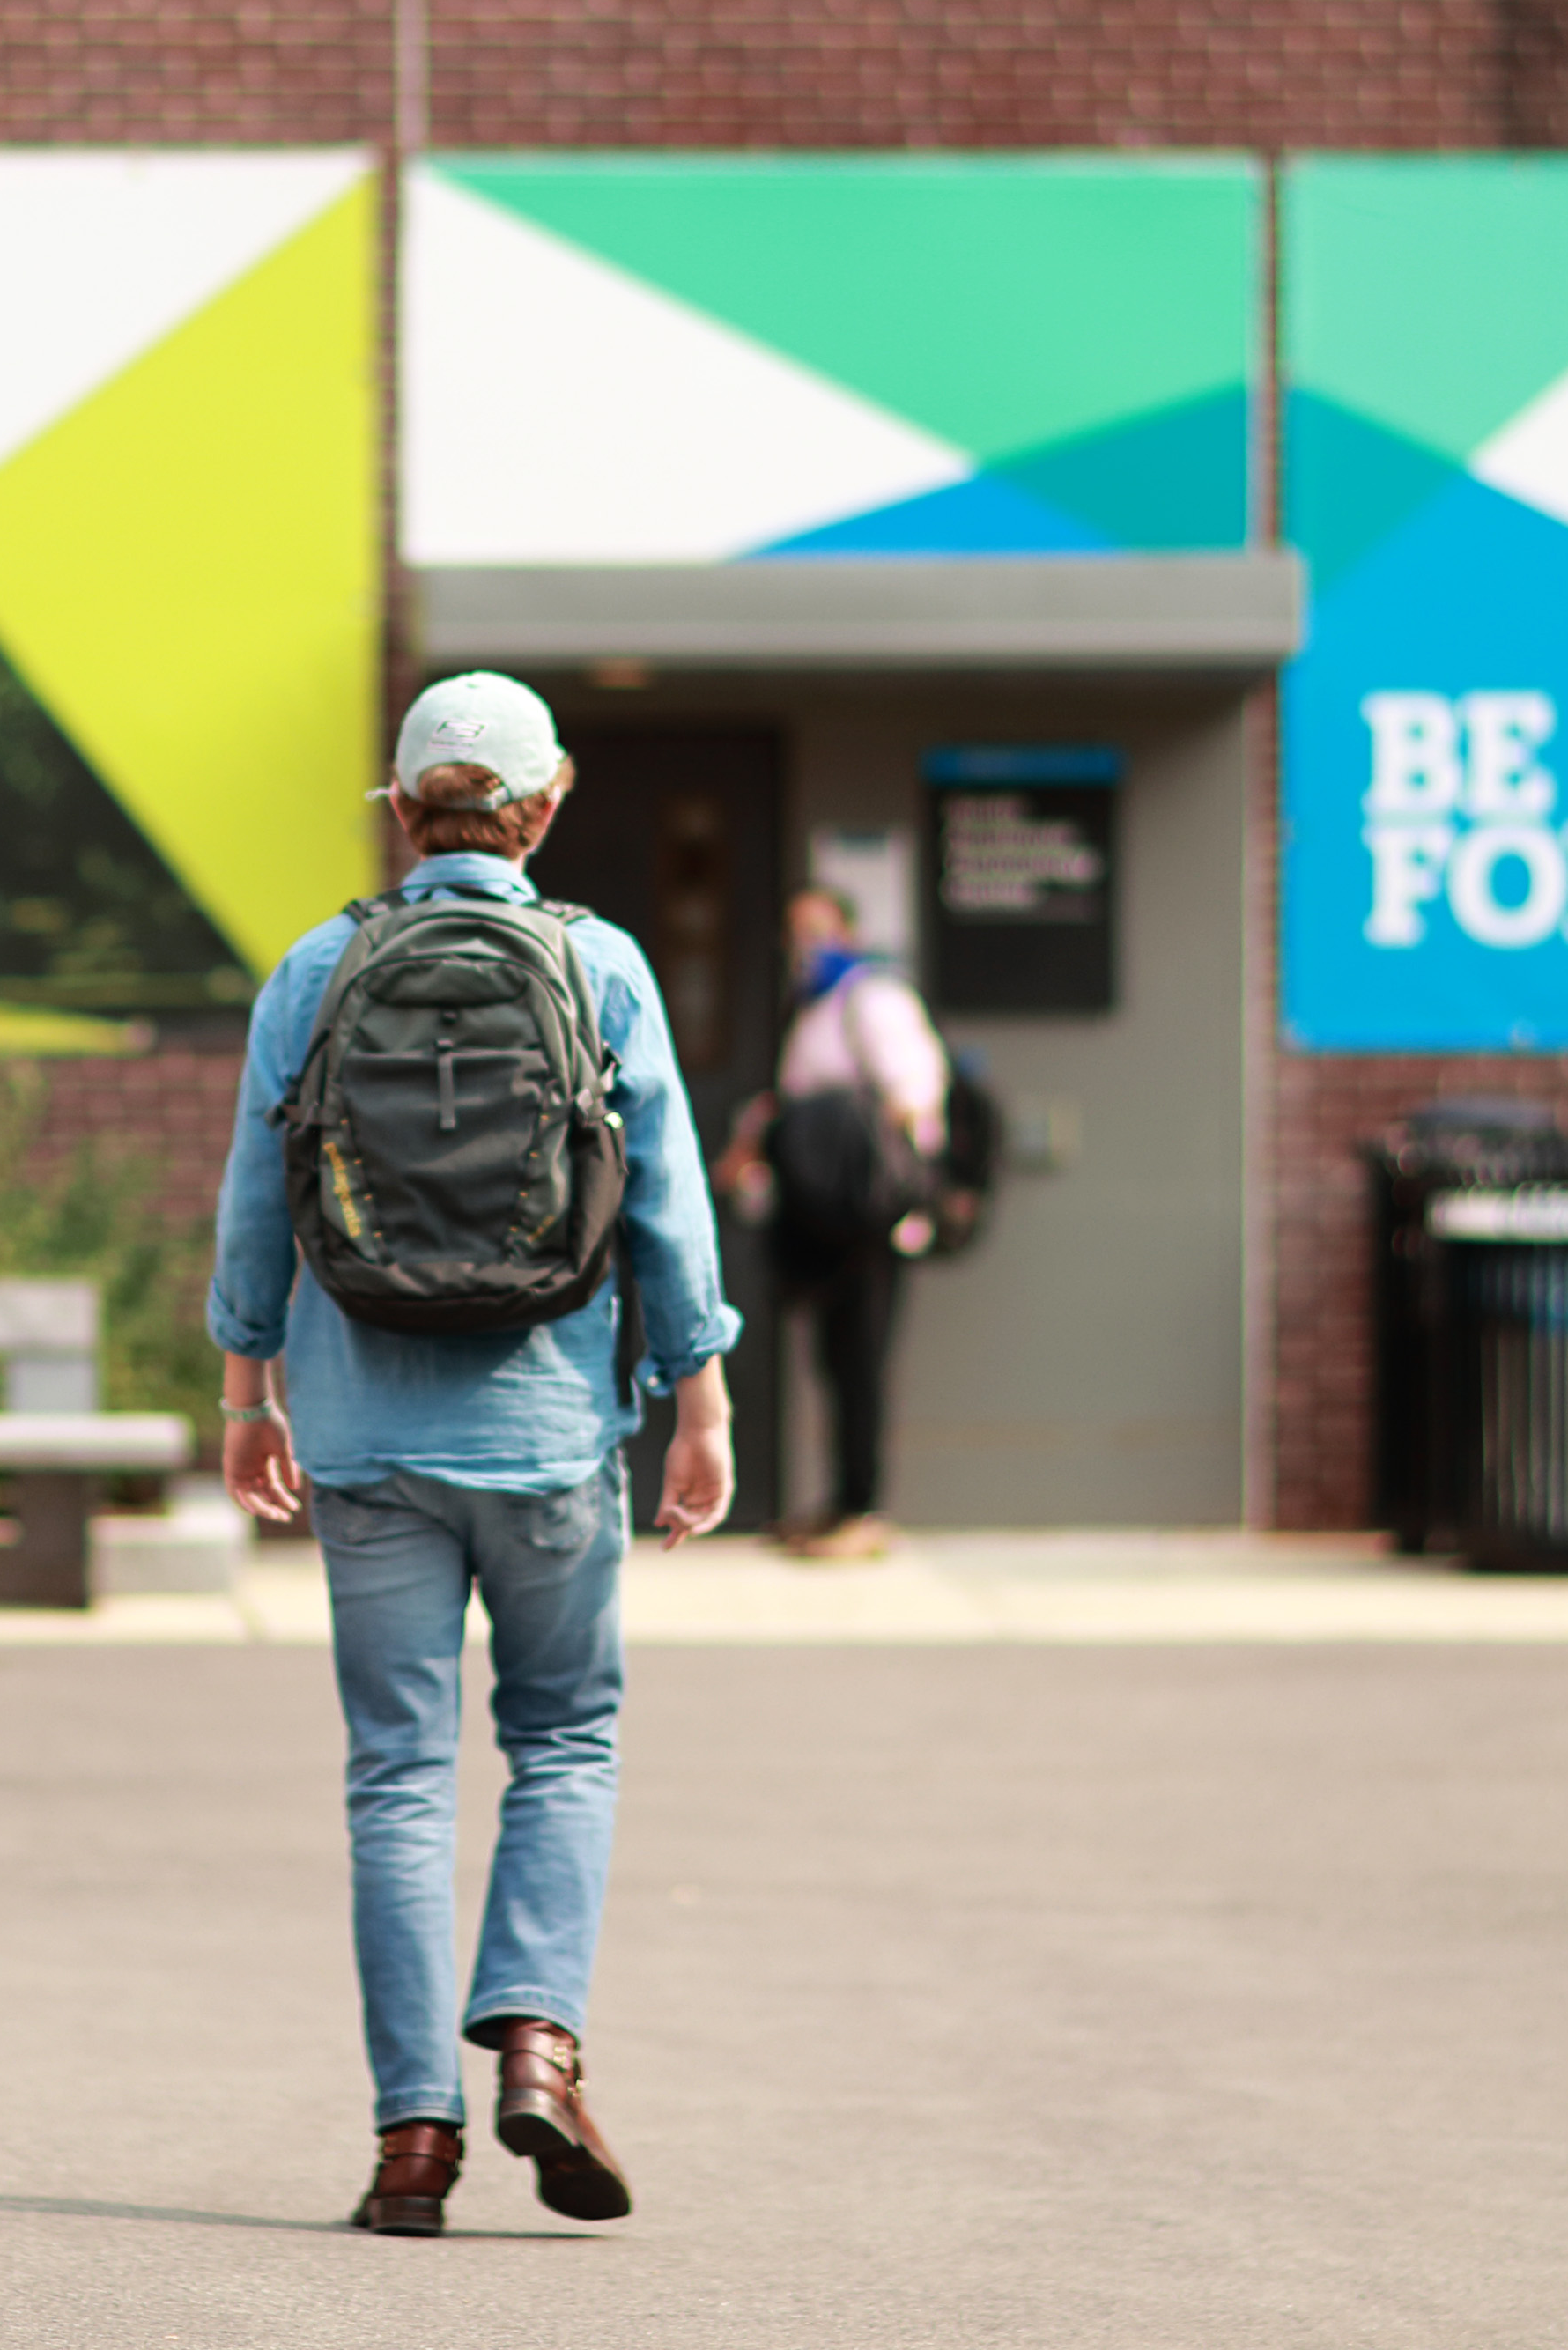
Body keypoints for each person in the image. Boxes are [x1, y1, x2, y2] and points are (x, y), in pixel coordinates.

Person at [209, 671, 741, 2237]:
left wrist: (250, 1390)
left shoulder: (317, 968)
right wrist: (697, 1395)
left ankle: (410, 2143)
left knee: (396, 1775)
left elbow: (255, 1196)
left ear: (401, 806)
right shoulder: (603, 965)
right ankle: (534, 2040)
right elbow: (666, 1201)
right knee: (564, 1738)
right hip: (549, 1427)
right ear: (548, 802)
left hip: (366, 1428)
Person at [720, 887, 950, 1558]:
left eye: (818, 930)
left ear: (848, 932)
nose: (805, 946)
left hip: (868, 1221)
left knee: (862, 1362)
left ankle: (865, 1509)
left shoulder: (873, 1001)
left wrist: (892, 1193)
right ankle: (839, 1501)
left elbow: (916, 1095)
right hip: (821, 1220)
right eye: (795, 932)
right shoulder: (811, 1011)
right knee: (831, 1360)